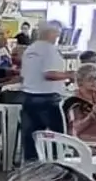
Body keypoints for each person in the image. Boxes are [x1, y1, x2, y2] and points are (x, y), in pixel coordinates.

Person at [20, 21, 71, 162]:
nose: (57, 37)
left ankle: (31, 166)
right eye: (57, 34)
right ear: (51, 33)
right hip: (48, 98)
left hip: (29, 96)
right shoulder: (50, 50)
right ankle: (56, 165)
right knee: (56, 138)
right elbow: (50, 74)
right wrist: (70, 75)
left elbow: (24, 74)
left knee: (31, 137)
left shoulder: (30, 49)